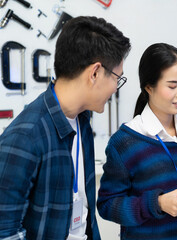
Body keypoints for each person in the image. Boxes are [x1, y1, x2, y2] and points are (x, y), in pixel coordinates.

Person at [0, 16, 131, 240]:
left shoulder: (83, 119)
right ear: (95, 73)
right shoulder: (25, 136)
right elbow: (5, 231)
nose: (114, 89)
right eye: (117, 78)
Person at [97, 43, 177, 240]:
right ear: (149, 87)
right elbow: (107, 206)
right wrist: (159, 204)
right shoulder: (125, 142)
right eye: (172, 86)